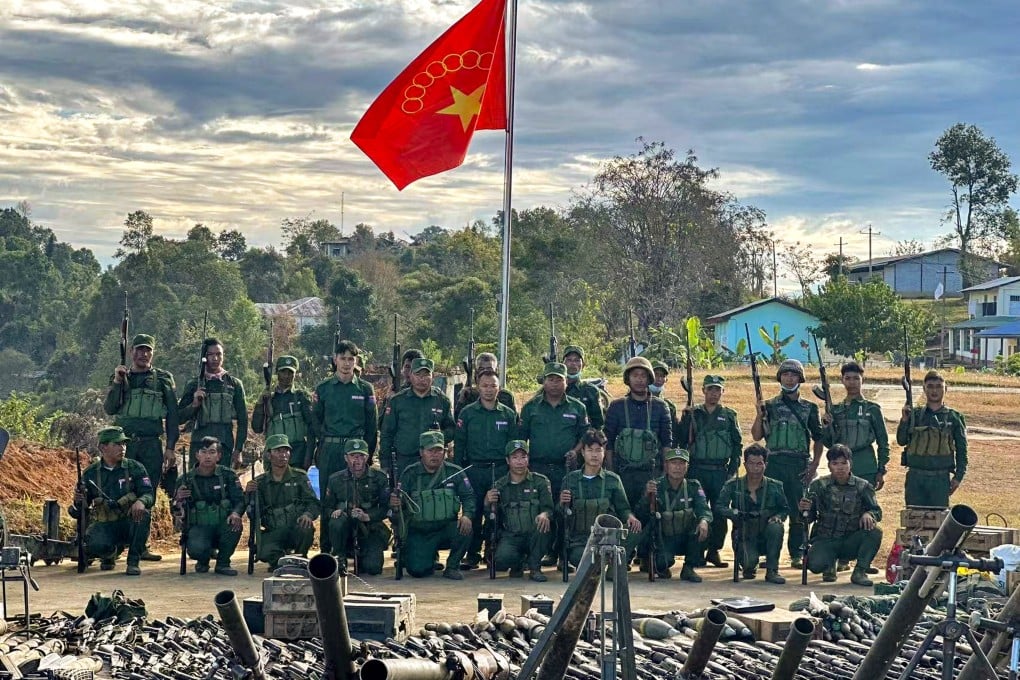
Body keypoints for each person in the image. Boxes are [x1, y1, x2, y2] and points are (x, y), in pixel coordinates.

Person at [103, 333, 179, 562]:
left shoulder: (163, 379)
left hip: (150, 445)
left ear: (152, 353)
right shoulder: (121, 377)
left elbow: (173, 416)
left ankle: (140, 545)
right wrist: (118, 382)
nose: (143, 354)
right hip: (123, 445)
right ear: (131, 352)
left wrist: (171, 447)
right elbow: (110, 408)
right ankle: (115, 545)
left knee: (147, 493)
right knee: (119, 491)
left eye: (147, 350)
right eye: (139, 350)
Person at [751, 359, 822, 569]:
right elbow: (757, 435)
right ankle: (768, 553)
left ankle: (797, 553)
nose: (789, 379)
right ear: (780, 377)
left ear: (800, 379)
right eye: (785, 375)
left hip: (798, 463)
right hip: (774, 462)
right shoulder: (770, 406)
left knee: (798, 510)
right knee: (770, 509)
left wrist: (815, 465)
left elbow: (818, 438)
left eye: (793, 375)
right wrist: (758, 414)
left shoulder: (809, 408)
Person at [518, 361, 590, 566]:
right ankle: (539, 552)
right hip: (538, 469)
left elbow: (586, 437)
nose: (555, 384)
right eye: (551, 379)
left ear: (566, 382)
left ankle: (562, 553)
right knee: (540, 510)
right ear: (544, 382)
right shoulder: (531, 407)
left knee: (565, 511)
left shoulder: (578, 407)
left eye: (559, 379)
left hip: (565, 468)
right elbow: (521, 439)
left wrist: (575, 452)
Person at [312, 340, 377, 552]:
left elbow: (371, 424)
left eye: (351, 359)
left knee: (355, 494)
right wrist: (320, 446)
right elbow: (315, 420)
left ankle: (350, 545)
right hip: (330, 448)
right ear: (335, 360)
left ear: (356, 361)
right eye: (343, 358)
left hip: (356, 448)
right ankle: (326, 547)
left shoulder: (366, 389)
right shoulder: (323, 388)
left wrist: (368, 453)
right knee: (328, 498)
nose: (347, 363)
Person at [454, 368, 519, 569]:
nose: (489, 390)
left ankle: (492, 551)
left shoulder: (508, 414)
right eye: (484, 386)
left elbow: (513, 444)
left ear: (499, 388)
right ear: (478, 387)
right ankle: (472, 553)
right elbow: (460, 444)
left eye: (493, 386)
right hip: (474, 469)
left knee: (496, 511)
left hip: (499, 470)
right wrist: (459, 472)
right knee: (472, 512)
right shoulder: (467, 413)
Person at [68, 426, 154, 576]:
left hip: (129, 521)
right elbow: (82, 507)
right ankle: (108, 554)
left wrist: (141, 501)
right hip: (105, 524)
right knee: (94, 543)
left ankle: (133, 562)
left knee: (144, 515)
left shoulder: (135, 468)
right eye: (117, 444)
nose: (123, 448)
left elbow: (148, 493)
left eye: (124, 444)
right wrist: (78, 500)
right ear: (103, 447)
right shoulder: (91, 473)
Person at [389, 431, 475, 580]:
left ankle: (452, 566)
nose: (435, 455)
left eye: (439, 450)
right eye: (430, 451)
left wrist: (467, 515)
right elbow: (400, 506)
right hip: (420, 531)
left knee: (466, 528)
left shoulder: (454, 472)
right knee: (418, 571)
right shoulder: (410, 473)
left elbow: (469, 497)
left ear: (445, 452)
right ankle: (424, 558)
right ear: (421, 452)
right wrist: (396, 503)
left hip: (445, 528)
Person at [677, 374, 742, 569]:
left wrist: (732, 471)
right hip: (697, 469)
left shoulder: (729, 415)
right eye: (710, 389)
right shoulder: (694, 413)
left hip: (720, 470)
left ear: (723, 391)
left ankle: (714, 550)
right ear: (703, 390)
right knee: (697, 511)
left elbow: (737, 445)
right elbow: (681, 440)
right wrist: (684, 418)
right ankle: (697, 551)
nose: (714, 393)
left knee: (719, 511)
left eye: (717, 389)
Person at [798, 444, 883, 586]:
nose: (840, 467)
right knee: (815, 565)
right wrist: (804, 509)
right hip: (826, 540)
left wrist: (869, 514)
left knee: (875, 532)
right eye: (835, 463)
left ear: (851, 464)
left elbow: (877, 511)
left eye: (844, 463)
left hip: (850, 541)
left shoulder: (863, 486)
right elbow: (808, 518)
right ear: (830, 465)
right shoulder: (818, 486)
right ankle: (829, 564)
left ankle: (860, 572)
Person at [558, 429, 641, 570]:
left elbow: (623, 509)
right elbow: (561, 513)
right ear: (583, 452)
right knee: (583, 559)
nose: (594, 455)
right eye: (590, 450)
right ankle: (607, 563)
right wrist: (562, 503)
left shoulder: (613, 480)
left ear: (604, 453)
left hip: (608, 537)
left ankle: (614, 567)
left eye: (598, 450)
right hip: (580, 541)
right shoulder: (570, 480)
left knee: (635, 529)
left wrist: (631, 517)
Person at [604, 356, 673, 509]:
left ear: (649, 379)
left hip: (651, 474)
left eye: (643, 376)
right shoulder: (616, 407)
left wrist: (664, 475)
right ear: (628, 378)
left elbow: (667, 443)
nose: (639, 380)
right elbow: (607, 443)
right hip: (623, 474)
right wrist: (611, 472)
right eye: (635, 375)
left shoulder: (661, 407)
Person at [717, 444, 789, 584]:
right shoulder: (733, 485)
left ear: (765, 464)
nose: (755, 468)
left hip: (767, 531)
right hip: (746, 533)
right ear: (745, 464)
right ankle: (749, 564)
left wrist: (778, 517)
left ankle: (772, 570)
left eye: (759, 464)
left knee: (776, 528)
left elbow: (784, 509)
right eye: (751, 463)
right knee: (748, 566)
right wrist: (734, 513)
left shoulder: (775, 486)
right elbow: (719, 506)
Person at [245, 434, 318, 571]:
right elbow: (253, 511)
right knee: (263, 552)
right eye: (278, 451)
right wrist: (249, 493)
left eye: (286, 451)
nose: (283, 455)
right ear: (268, 455)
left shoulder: (300, 476)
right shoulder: (260, 482)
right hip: (274, 531)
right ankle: (281, 562)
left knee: (306, 528)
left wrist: (308, 514)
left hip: (295, 528)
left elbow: (313, 503)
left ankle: (300, 557)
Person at [636, 448, 712, 581]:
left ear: (687, 467)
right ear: (666, 465)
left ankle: (689, 568)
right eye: (674, 463)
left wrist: (704, 521)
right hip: (664, 539)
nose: (678, 467)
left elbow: (703, 508)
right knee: (662, 564)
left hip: (686, 537)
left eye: (682, 463)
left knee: (704, 526)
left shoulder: (693, 486)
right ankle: (652, 561)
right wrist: (647, 496)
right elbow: (641, 514)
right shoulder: (656, 487)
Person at [173, 436, 245, 575]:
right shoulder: (185, 480)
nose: (207, 456)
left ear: (218, 456)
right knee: (196, 548)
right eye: (204, 452)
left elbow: (240, 500)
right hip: (199, 527)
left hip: (223, 525)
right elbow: (176, 510)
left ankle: (223, 563)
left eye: (212, 452)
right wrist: (178, 500)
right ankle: (203, 560)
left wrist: (236, 513)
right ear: (197, 455)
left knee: (235, 525)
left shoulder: (228, 475)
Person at [896, 370, 968, 508]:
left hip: (940, 479)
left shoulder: (954, 417)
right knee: (914, 519)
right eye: (930, 386)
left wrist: (958, 477)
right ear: (924, 389)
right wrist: (905, 420)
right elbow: (901, 440)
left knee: (937, 521)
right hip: (915, 478)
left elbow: (962, 449)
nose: (934, 390)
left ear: (945, 389)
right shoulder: (915, 415)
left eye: (938, 386)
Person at [485, 440, 554, 582]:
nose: (520, 461)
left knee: (544, 525)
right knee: (502, 559)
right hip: (511, 536)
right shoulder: (499, 485)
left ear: (528, 458)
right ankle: (518, 564)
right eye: (515, 458)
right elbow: (491, 516)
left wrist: (544, 514)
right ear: (507, 460)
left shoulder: (540, 481)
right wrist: (487, 501)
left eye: (523, 457)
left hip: (535, 534)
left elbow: (549, 508)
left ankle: (535, 568)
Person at [323, 439, 392, 575]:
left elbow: (386, 508)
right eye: (353, 456)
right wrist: (334, 512)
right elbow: (326, 508)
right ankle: (340, 557)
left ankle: (363, 556)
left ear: (367, 457)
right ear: (345, 458)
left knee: (373, 568)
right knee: (337, 521)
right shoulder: (335, 479)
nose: (357, 460)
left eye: (361, 456)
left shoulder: (379, 478)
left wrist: (368, 516)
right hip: (345, 530)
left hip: (369, 529)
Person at [380, 357, 456, 480]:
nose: (422, 379)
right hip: (404, 460)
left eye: (426, 375)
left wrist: (439, 436)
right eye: (418, 374)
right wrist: (385, 463)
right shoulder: (398, 401)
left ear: (433, 377)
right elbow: (386, 433)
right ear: (410, 375)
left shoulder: (442, 400)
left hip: (432, 461)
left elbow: (451, 429)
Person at [178, 338, 247, 469]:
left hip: (224, 445)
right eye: (211, 355)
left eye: (219, 354)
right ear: (204, 357)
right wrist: (194, 404)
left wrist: (238, 450)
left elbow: (243, 421)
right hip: (200, 445)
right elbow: (179, 417)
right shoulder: (194, 384)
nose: (215, 358)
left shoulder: (234, 384)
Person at [821, 361, 889, 490]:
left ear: (862, 380)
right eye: (848, 378)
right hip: (841, 469)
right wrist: (825, 426)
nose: (852, 382)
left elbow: (883, 442)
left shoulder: (872, 409)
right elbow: (829, 443)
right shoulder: (835, 410)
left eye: (856, 378)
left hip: (866, 467)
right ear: (842, 380)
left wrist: (881, 470)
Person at [251, 355, 318, 470]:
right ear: (277, 373)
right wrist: (260, 402)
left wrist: (308, 457)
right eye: (283, 372)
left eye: (290, 372)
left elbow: (312, 428)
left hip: (298, 455)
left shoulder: (301, 397)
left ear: (295, 374)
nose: (286, 376)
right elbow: (257, 428)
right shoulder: (269, 398)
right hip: (274, 456)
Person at [454, 352, 517, 417]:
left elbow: (515, 422)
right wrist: (461, 400)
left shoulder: (506, 396)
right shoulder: (466, 395)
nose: (485, 371)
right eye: (481, 369)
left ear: (496, 371)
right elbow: (457, 420)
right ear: (476, 372)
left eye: (489, 369)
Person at [563, 346, 605, 430]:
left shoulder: (591, 391)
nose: (573, 363)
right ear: (563, 364)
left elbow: (598, 424)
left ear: (583, 365)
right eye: (569, 360)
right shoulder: (555, 389)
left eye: (577, 360)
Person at [650, 360, 680, 442]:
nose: (659, 379)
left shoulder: (669, 406)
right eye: (656, 375)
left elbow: (674, 433)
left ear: (666, 380)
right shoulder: (637, 401)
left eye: (662, 376)